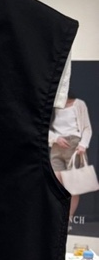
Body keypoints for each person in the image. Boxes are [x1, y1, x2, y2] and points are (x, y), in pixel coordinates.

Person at [50, 94, 94, 223]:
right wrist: (55, 138)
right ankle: (57, 221)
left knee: (73, 187)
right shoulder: (51, 105)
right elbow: (43, 128)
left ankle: (67, 221)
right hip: (56, 147)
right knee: (55, 186)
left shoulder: (78, 103)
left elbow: (86, 128)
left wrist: (83, 144)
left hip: (74, 146)